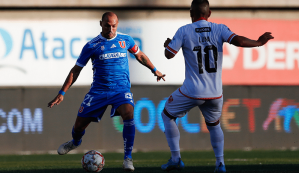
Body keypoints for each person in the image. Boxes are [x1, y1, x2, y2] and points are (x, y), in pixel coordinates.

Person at [161, 0, 274, 172]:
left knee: (167, 114)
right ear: (209, 13)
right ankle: (220, 163)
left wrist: (167, 45)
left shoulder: (184, 30)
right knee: (214, 125)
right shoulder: (219, 28)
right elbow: (240, 41)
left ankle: (176, 158)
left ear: (191, 13)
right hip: (215, 93)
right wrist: (259, 42)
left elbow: (169, 54)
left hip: (192, 91)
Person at [48, 12, 165, 172]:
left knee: (129, 114)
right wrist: (62, 92)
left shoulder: (126, 40)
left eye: (114, 26)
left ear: (117, 24)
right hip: (98, 91)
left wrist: (155, 70)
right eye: (107, 25)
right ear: (101, 24)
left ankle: (127, 158)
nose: (111, 29)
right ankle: (75, 142)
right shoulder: (91, 45)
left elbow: (140, 55)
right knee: (79, 125)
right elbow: (76, 70)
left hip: (121, 89)